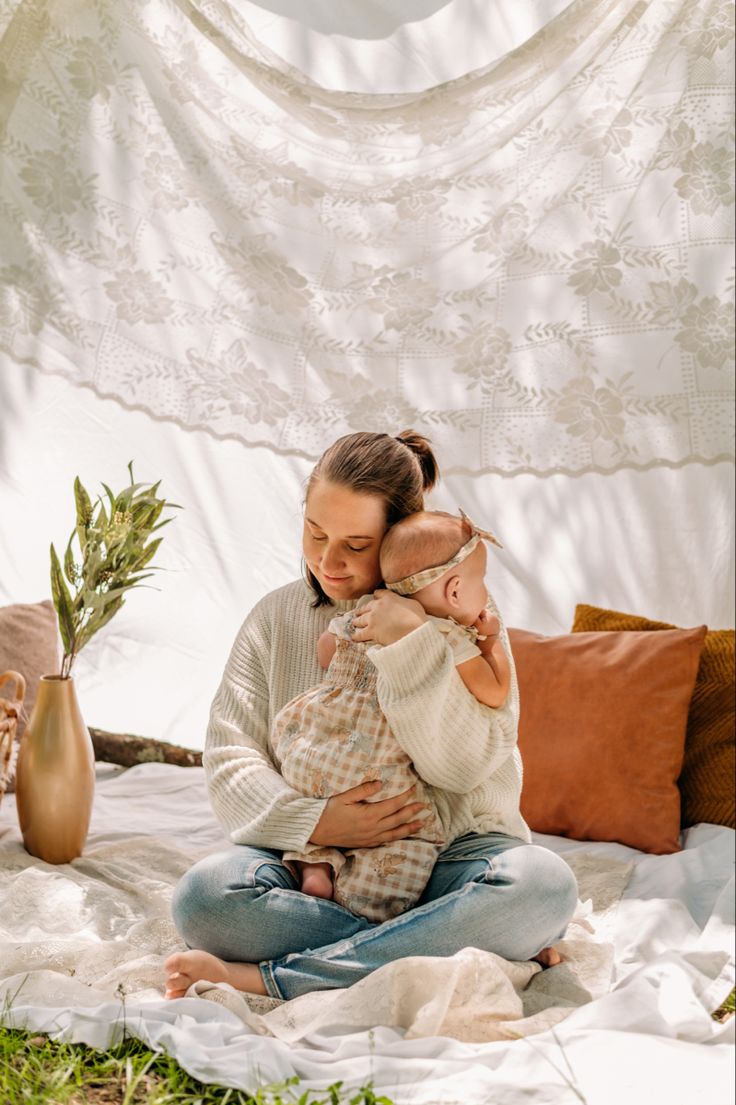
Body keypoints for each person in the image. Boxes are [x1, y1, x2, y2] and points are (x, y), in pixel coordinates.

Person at [164, 430, 578, 1002]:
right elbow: (231, 759)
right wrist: (317, 822)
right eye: (315, 533)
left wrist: (411, 644)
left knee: (543, 887)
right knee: (205, 899)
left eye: (356, 545)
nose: (328, 561)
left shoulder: (464, 616)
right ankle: (463, 939)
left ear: (399, 535)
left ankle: (276, 977)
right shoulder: (275, 618)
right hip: (317, 868)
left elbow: (464, 770)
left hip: (451, 858)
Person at [277, 507, 512, 921]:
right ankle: (363, 917)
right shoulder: (450, 636)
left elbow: (326, 652)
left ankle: (315, 866)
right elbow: (493, 692)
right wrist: (490, 644)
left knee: (540, 884)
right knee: (408, 838)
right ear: (455, 592)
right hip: (379, 771)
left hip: (315, 752)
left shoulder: (365, 610)